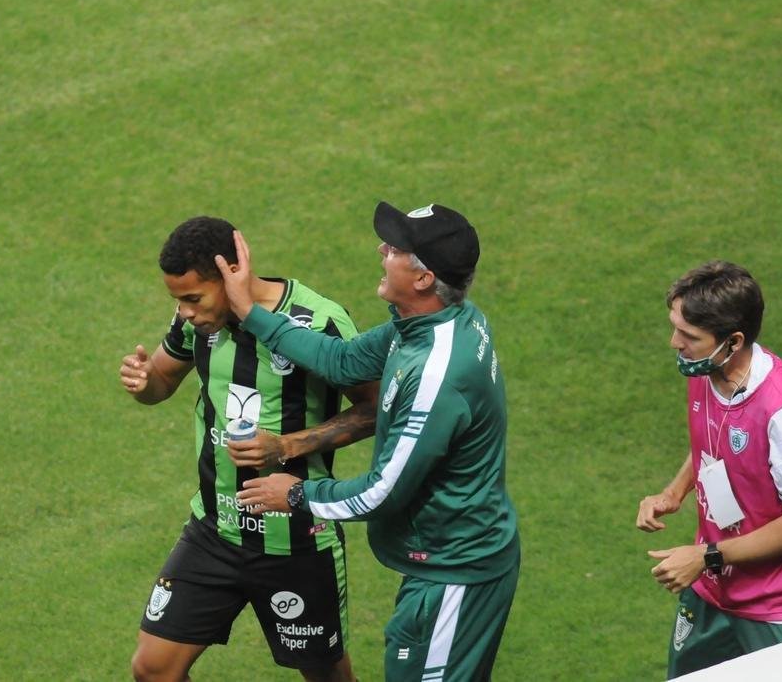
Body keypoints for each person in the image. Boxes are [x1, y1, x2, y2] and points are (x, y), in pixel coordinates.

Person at [219, 202, 520, 682]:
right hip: (450, 560)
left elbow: (382, 491)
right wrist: (251, 312)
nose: (382, 250)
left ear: (423, 278)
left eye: (396, 248)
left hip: (454, 573)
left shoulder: (435, 378)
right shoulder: (437, 322)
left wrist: (293, 494)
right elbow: (340, 361)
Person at [119, 216, 378, 682]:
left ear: (230, 273)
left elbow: (376, 408)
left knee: (327, 677)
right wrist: (143, 383)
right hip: (214, 530)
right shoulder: (195, 323)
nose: (186, 311)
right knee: (152, 669)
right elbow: (161, 380)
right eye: (178, 300)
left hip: (297, 537)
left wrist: (288, 445)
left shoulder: (318, 320)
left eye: (193, 298)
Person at [637, 261, 782, 677]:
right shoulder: (708, 369)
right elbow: (714, 443)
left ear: (733, 342)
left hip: (777, 606)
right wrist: (674, 492)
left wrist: (705, 556)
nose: (675, 342)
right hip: (714, 587)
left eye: (688, 335)